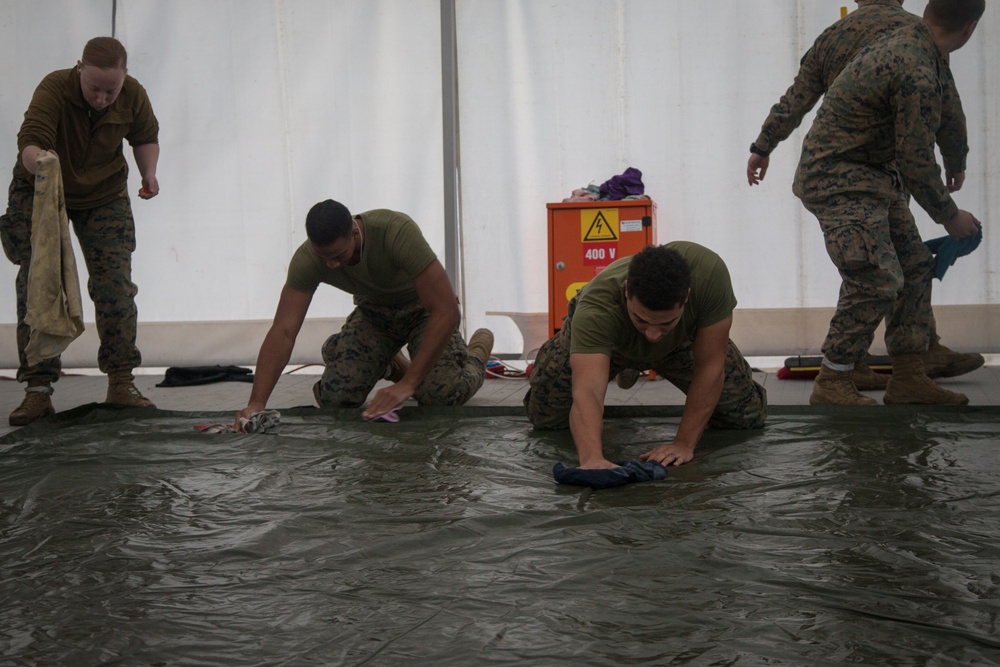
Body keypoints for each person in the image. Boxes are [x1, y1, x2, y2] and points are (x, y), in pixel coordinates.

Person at [746, 0, 984, 391]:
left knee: (909, 263)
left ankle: (910, 369)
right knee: (875, 274)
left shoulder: (842, 36)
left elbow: (797, 98)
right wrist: (952, 189)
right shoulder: (919, 46)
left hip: (875, 173)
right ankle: (840, 374)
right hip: (846, 174)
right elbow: (941, 116)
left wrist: (763, 144)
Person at [1, 36, 160, 426]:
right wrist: (42, 161)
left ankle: (121, 382)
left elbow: (145, 136)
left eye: (112, 90)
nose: (103, 98)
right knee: (40, 283)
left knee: (115, 285)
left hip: (103, 193)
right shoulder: (54, 87)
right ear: (79, 69)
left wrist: (149, 173)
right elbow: (29, 140)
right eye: (94, 89)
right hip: (42, 186)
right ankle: (38, 390)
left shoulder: (133, 93)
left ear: (124, 80)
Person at [235, 199, 494, 427]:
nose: (331, 264)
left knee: (440, 396)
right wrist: (257, 402)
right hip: (375, 315)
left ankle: (474, 355)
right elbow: (283, 331)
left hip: (424, 312)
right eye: (323, 257)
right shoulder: (308, 259)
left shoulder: (395, 231)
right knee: (335, 400)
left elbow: (447, 311)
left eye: (338, 255)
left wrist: (407, 385)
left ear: (355, 234)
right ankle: (389, 363)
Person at [524, 242, 767, 469]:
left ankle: (645, 347)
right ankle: (628, 361)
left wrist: (683, 443)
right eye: (642, 320)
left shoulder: (710, 275)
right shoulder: (597, 307)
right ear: (627, 291)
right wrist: (592, 458)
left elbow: (710, 367)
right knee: (546, 419)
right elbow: (588, 389)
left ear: (687, 297)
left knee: (746, 417)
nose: (652, 334)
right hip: (612, 343)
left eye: (665, 322)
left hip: (680, 344)